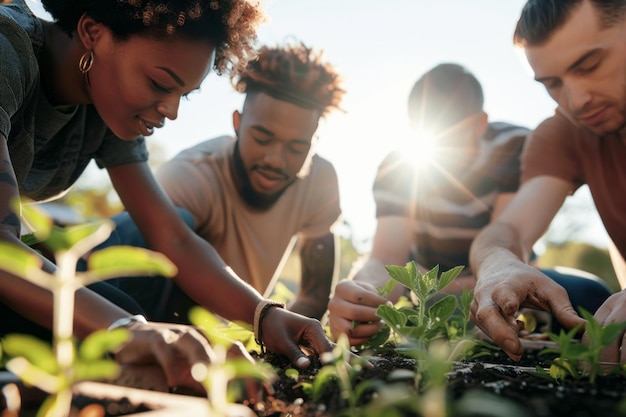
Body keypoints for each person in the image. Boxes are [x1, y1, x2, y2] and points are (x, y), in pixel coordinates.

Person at [0, 0, 333, 392]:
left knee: (123, 317)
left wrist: (262, 314)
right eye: (160, 84)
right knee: (117, 327)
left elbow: (172, 237)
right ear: (93, 33)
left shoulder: (105, 101)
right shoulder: (8, 53)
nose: (171, 111)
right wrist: (127, 331)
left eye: (184, 94)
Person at [327, 63, 612, 346]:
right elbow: (387, 257)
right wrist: (364, 292)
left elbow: (507, 246)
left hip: (505, 282)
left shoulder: (512, 146)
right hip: (427, 291)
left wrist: (480, 293)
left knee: (591, 296)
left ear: (480, 124)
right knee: (418, 318)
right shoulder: (400, 166)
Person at [89, 41, 344, 323]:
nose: (275, 160)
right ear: (237, 123)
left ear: (314, 142)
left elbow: (314, 295)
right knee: (143, 227)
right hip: (159, 327)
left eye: (296, 148)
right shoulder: (192, 176)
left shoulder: (319, 179)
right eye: (262, 138)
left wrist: (286, 349)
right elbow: (149, 258)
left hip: (250, 332)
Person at [469, 0, 626, 363]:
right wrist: (498, 264)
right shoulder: (565, 134)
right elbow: (509, 229)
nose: (576, 100)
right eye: (552, 84)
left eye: (589, 66)